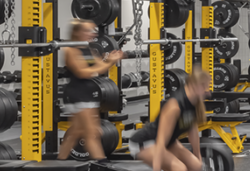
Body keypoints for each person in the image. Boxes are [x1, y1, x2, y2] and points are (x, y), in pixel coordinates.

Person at [58, 20, 124, 162]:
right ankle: (102, 162)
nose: (92, 33)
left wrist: (111, 60)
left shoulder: (90, 49)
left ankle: (60, 161)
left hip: (88, 94)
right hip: (77, 94)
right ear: (77, 33)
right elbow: (83, 73)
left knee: (76, 132)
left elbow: (101, 68)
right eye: (88, 31)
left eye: (93, 30)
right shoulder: (71, 50)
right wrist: (105, 64)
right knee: (92, 132)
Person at [127, 69, 210, 171]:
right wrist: (157, 168)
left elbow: (193, 132)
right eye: (204, 86)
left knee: (195, 166)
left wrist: (198, 158)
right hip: (146, 143)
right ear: (194, 85)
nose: (207, 91)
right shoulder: (174, 106)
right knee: (179, 168)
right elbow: (161, 141)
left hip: (169, 142)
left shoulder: (194, 103)